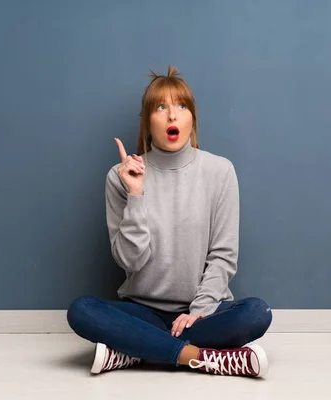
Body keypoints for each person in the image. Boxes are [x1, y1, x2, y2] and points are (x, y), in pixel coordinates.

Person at [66, 65, 272, 378]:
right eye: (161, 107)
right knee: (81, 311)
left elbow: (223, 256)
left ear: (192, 118)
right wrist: (136, 195)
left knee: (256, 313)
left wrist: (199, 312)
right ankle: (198, 356)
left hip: (203, 312)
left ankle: (136, 351)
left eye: (181, 106)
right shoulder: (120, 177)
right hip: (142, 311)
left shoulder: (220, 172)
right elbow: (128, 261)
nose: (172, 116)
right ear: (148, 121)